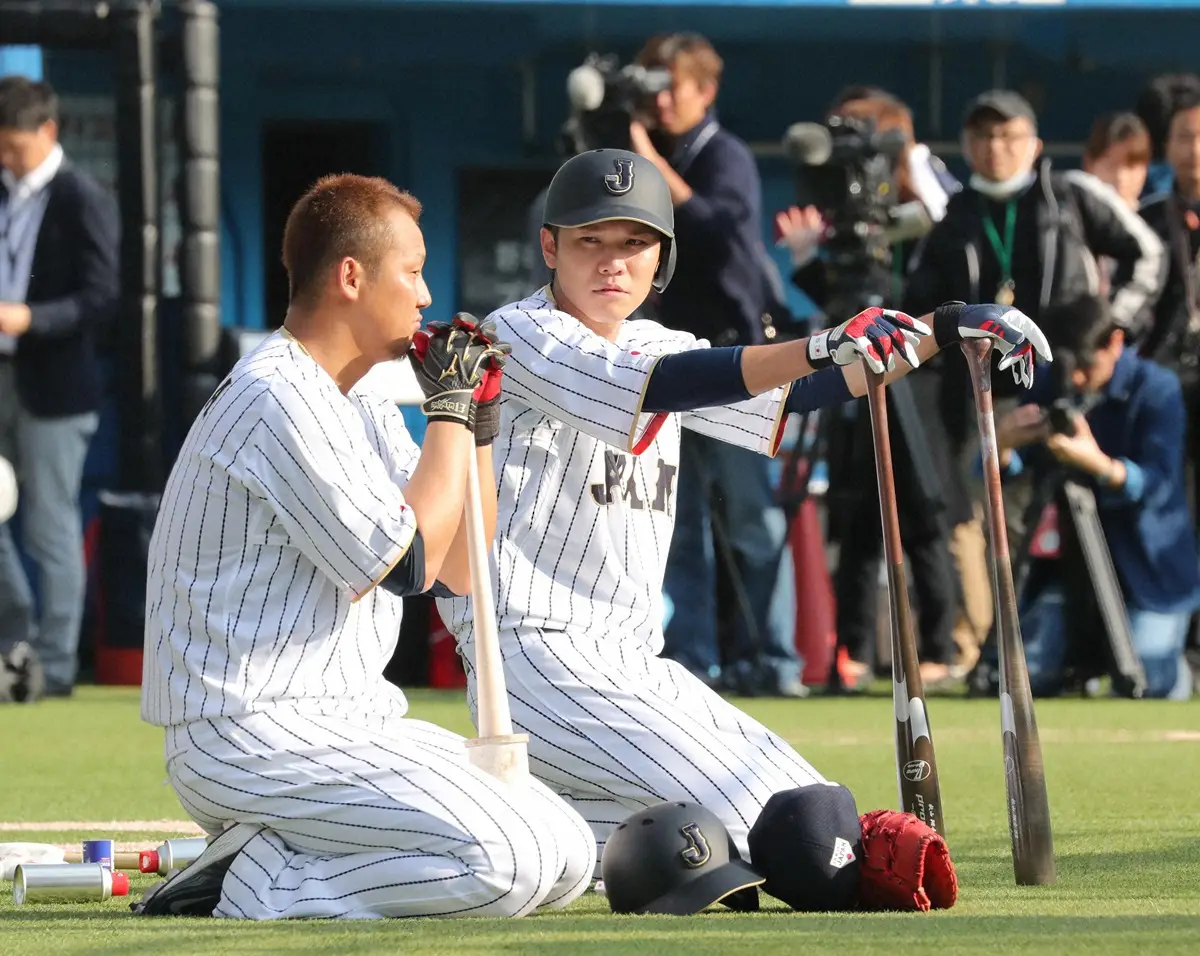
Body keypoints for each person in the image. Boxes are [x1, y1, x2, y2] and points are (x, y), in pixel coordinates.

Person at [437, 147, 1049, 878]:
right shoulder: (523, 332)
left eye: (633, 243)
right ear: (550, 247)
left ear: (660, 258)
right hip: (533, 659)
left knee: (800, 803)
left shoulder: (652, 340)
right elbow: (671, 382)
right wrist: (820, 344)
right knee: (794, 832)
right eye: (589, 242)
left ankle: (536, 824)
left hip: (634, 663)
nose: (612, 262)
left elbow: (803, 391)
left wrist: (941, 328)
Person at [133, 174, 595, 920]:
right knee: (513, 864)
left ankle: (267, 854)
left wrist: (474, 418)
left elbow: (456, 569)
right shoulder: (277, 393)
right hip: (249, 731)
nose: (424, 295)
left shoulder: (365, 397)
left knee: (569, 855)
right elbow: (405, 566)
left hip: (346, 720)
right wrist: (445, 408)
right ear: (351, 275)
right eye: (410, 271)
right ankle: (257, 886)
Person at [626, 32, 801, 696]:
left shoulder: (721, 152)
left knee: (753, 519)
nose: (662, 101)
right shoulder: (658, 155)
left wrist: (649, 163)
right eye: (654, 88)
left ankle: (777, 661)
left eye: (675, 87)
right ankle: (696, 660)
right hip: (664, 364)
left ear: (706, 91)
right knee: (679, 523)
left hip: (733, 359)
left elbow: (718, 226)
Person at [778, 85, 967, 687]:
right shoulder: (844, 210)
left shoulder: (928, 201)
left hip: (919, 380)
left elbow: (930, 286)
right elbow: (846, 311)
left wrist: (908, 158)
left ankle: (939, 646)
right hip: (855, 375)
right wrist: (809, 259)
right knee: (858, 517)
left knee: (923, 516)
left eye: (863, 131)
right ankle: (851, 651)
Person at [993, 296, 1200, 699]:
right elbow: (996, 476)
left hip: (1150, 568)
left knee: (1148, 682)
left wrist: (1099, 465)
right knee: (1024, 678)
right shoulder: (1051, 382)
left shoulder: (1157, 389)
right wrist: (1001, 444)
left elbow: (1158, 485)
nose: (1080, 381)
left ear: (1115, 343)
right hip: (1071, 569)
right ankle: (1083, 664)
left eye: (1087, 367)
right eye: (1072, 370)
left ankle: (1184, 667)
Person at [0, 76, 120, 696]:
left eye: (15, 148)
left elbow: (102, 298)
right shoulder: (4, 192)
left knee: (49, 524)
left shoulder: (82, 197)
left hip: (55, 384)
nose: (7, 160)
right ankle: (15, 640)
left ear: (48, 132)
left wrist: (30, 318)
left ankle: (54, 665)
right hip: (5, 377)